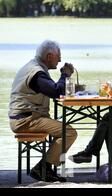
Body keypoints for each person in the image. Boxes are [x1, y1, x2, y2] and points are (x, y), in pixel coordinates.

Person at [9, 40, 78, 182]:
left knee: (61, 129)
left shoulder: (34, 67)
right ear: (49, 56)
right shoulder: (37, 73)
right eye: (58, 56)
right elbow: (56, 92)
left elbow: (52, 88)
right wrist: (65, 75)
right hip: (25, 120)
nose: (60, 60)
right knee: (69, 132)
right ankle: (43, 168)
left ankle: (46, 168)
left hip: (26, 117)